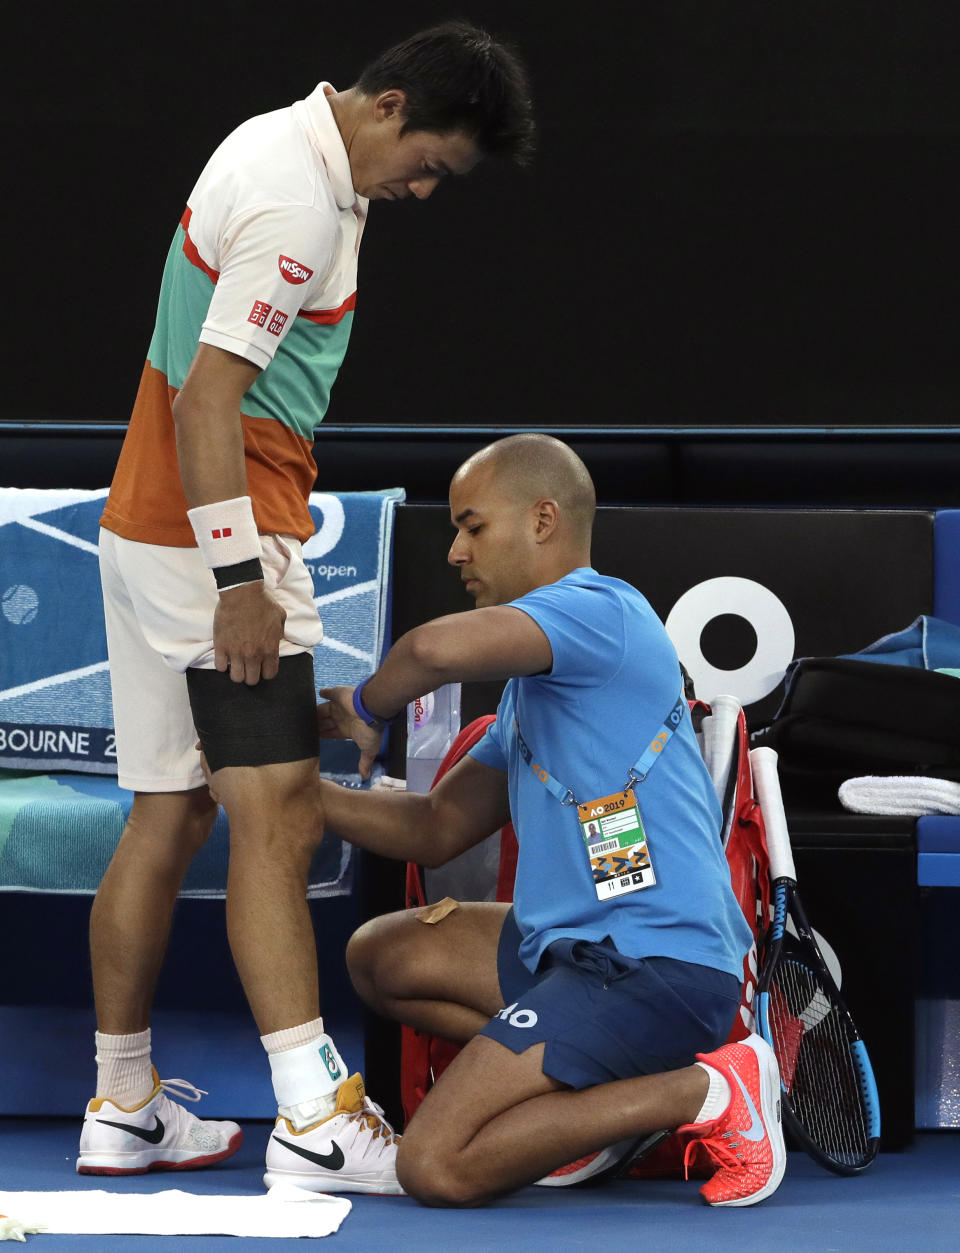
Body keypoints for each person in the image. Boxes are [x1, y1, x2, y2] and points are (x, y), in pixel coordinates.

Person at [81, 22, 534, 1194]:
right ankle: (313, 1119)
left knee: (165, 816)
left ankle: (122, 1102)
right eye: (429, 162)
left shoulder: (278, 143)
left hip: (143, 528)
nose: (426, 190)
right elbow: (208, 402)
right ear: (386, 107)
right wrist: (240, 582)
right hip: (212, 540)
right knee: (278, 818)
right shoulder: (298, 202)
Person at [313, 433, 787, 1207]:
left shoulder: (603, 613)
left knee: (435, 1164)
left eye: (472, 526)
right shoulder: (532, 690)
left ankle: (709, 1091)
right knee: (382, 956)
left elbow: (430, 649)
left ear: (542, 521)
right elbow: (437, 826)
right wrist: (301, 798)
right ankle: (579, 1115)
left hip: (657, 966)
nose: (455, 552)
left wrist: (367, 708)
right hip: (579, 955)